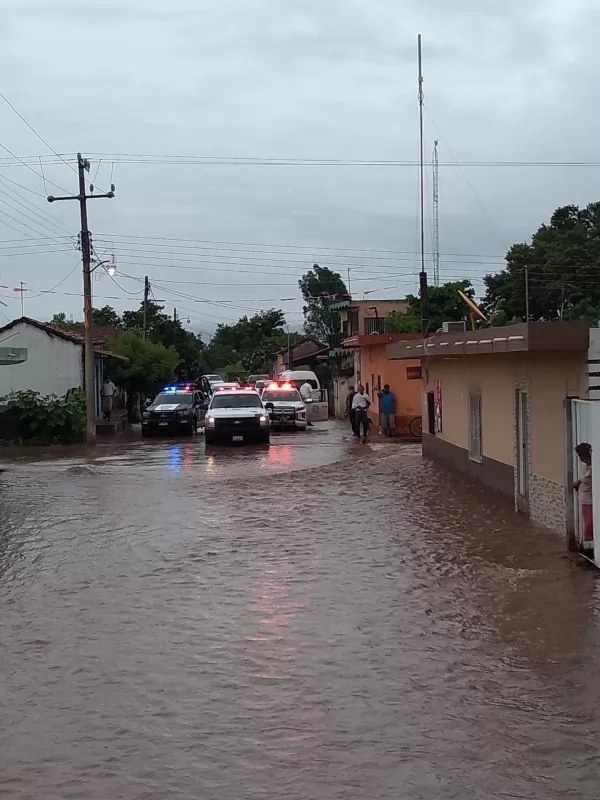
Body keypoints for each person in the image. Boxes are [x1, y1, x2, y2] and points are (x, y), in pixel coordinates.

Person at [574, 442, 593, 553]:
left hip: (592, 499)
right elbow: (583, 478)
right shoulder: (584, 466)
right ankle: (586, 548)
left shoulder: (594, 467)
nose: (580, 459)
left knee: (590, 524)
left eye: (581, 456)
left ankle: (589, 549)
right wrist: (578, 482)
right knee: (587, 525)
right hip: (585, 500)